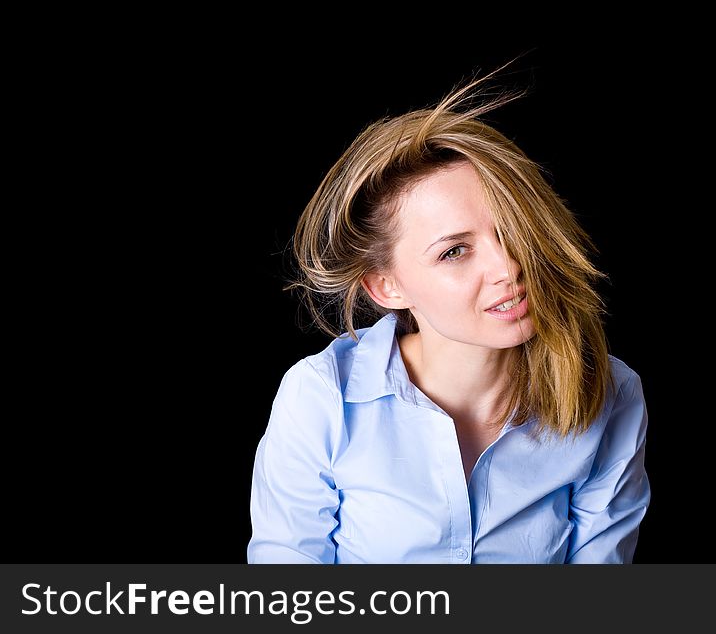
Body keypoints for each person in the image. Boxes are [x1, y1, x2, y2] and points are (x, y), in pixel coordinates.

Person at [247, 67, 651, 564]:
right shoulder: (321, 398)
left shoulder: (610, 394)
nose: (509, 267)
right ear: (386, 286)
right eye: (455, 251)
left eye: (512, 230)